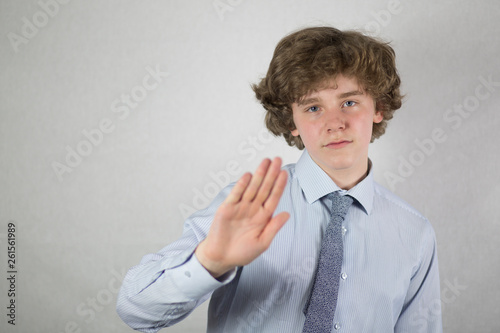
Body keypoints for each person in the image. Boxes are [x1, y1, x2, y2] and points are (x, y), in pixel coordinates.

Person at [116, 26, 442, 332]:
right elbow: (135, 309)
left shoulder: (415, 233)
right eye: (313, 108)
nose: (335, 122)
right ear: (292, 122)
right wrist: (211, 261)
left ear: (378, 108)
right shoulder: (245, 208)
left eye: (349, 102)